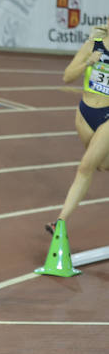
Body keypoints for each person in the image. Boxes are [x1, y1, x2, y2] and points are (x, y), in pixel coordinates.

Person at [48, 24, 109, 234]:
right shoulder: (92, 45)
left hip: (108, 116)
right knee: (101, 165)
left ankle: (60, 221)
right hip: (84, 114)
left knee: (85, 168)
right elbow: (67, 76)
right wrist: (87, 62)